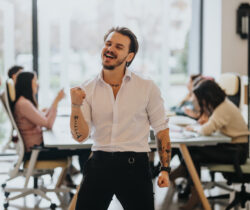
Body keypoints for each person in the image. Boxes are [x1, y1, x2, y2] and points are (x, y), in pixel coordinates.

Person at [70, 26, 171, 210]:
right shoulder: (88, 88)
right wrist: (75, 105)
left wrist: (165, 169)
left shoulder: (146, 87)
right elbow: (80, 136)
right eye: (108, 44)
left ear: (129, 56)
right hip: (99, 165)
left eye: (118, 46)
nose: (110, 49)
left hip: (135, 167)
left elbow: (161, 130)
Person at [172, 79, 250, 209]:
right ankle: (188, 182)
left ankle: (194, 193)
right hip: (232, 148)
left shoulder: (223, 108)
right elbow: (211, 126)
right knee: (192, 152)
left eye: (201, 99)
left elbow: (206, 130)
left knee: (192, 155)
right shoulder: (224, 105)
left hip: (236, 152)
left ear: (208, 97)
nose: (202, 103)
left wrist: (195, 128)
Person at [13, 72, 90, 178]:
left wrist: (55, 101)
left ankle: (69, 179)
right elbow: (48, 123)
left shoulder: (24, 102)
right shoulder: (24, 104)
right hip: (37, 151)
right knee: (84, 149)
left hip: (37, 147)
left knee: (75, 145)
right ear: (27, 84)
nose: (37, 84)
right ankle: (85, 184)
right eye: (35, 81)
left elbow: (43, 117)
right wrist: (57, 100)